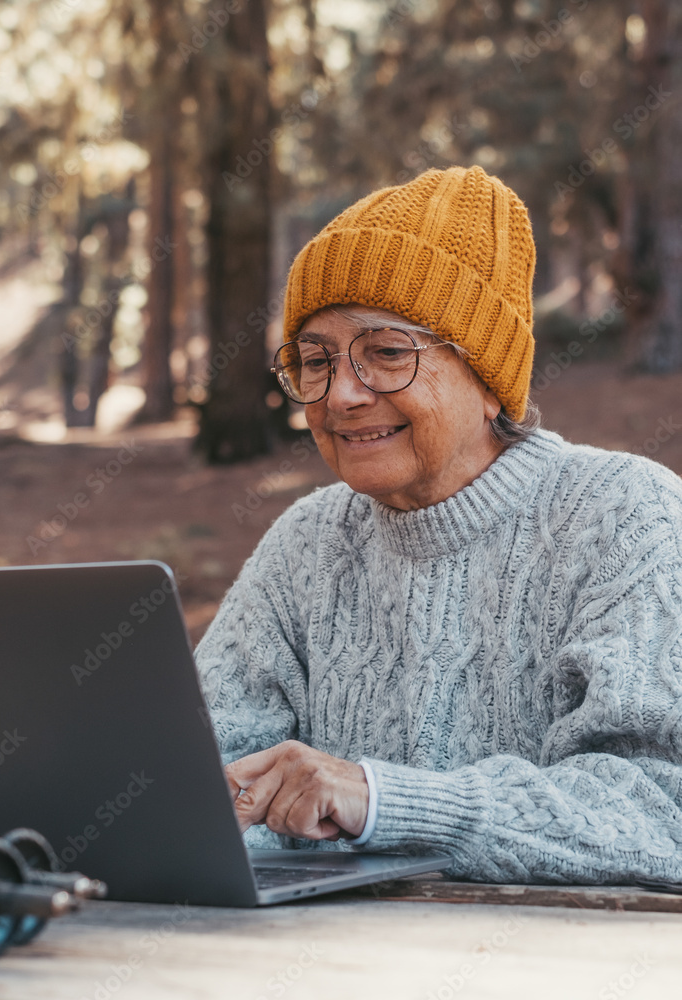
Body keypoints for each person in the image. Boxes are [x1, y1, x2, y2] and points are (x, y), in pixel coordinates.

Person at [194, 164, 682, 885]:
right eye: (315, 361)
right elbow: (201, 782)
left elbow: (658, 811)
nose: (342, 395)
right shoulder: (305, 544)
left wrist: (392, 804)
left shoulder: (627, 517)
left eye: (386, 353)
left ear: (488, 378)